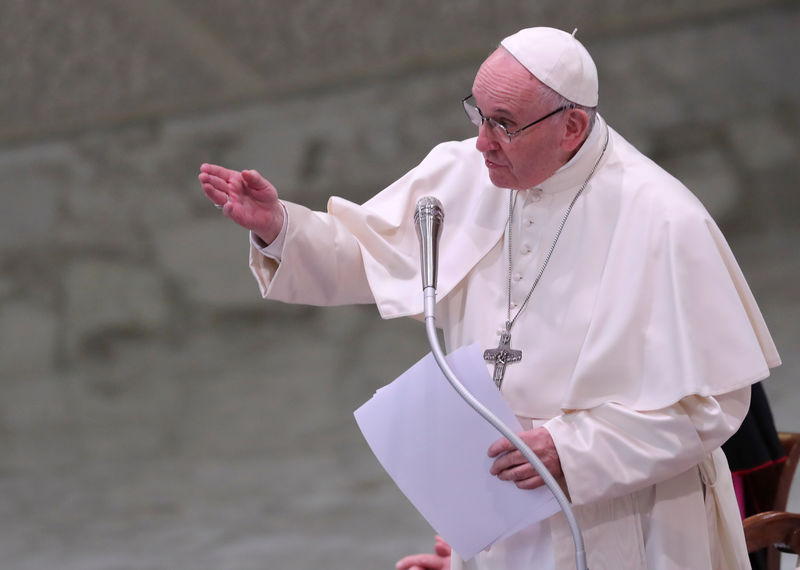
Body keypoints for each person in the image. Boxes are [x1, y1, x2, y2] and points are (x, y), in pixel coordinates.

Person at [198, 27, 781, 570]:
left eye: (503, 123)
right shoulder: (466, 174)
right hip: (499, 511)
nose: (481, 142)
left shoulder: (663, 218)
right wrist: (279, 228)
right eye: (477, 113)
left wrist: (572, 452)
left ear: (571, 126)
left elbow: (711, 405)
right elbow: (368, 255)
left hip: (628, 521)